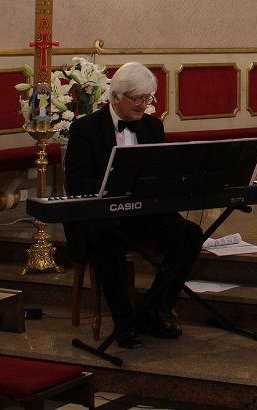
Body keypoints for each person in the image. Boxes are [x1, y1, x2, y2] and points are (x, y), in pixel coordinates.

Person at [64, 63, 204, 349]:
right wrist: (115, 189)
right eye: (137, 98)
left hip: (141, 213)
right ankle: (124, 322)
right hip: (100, 215)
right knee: (108, 241)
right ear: (115, 97)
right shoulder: (85, 129)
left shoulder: (153, 126)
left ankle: (154, 309)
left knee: (189, 234)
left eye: (148, 98)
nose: (143, 105)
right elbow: (79, 183)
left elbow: (159, 175)